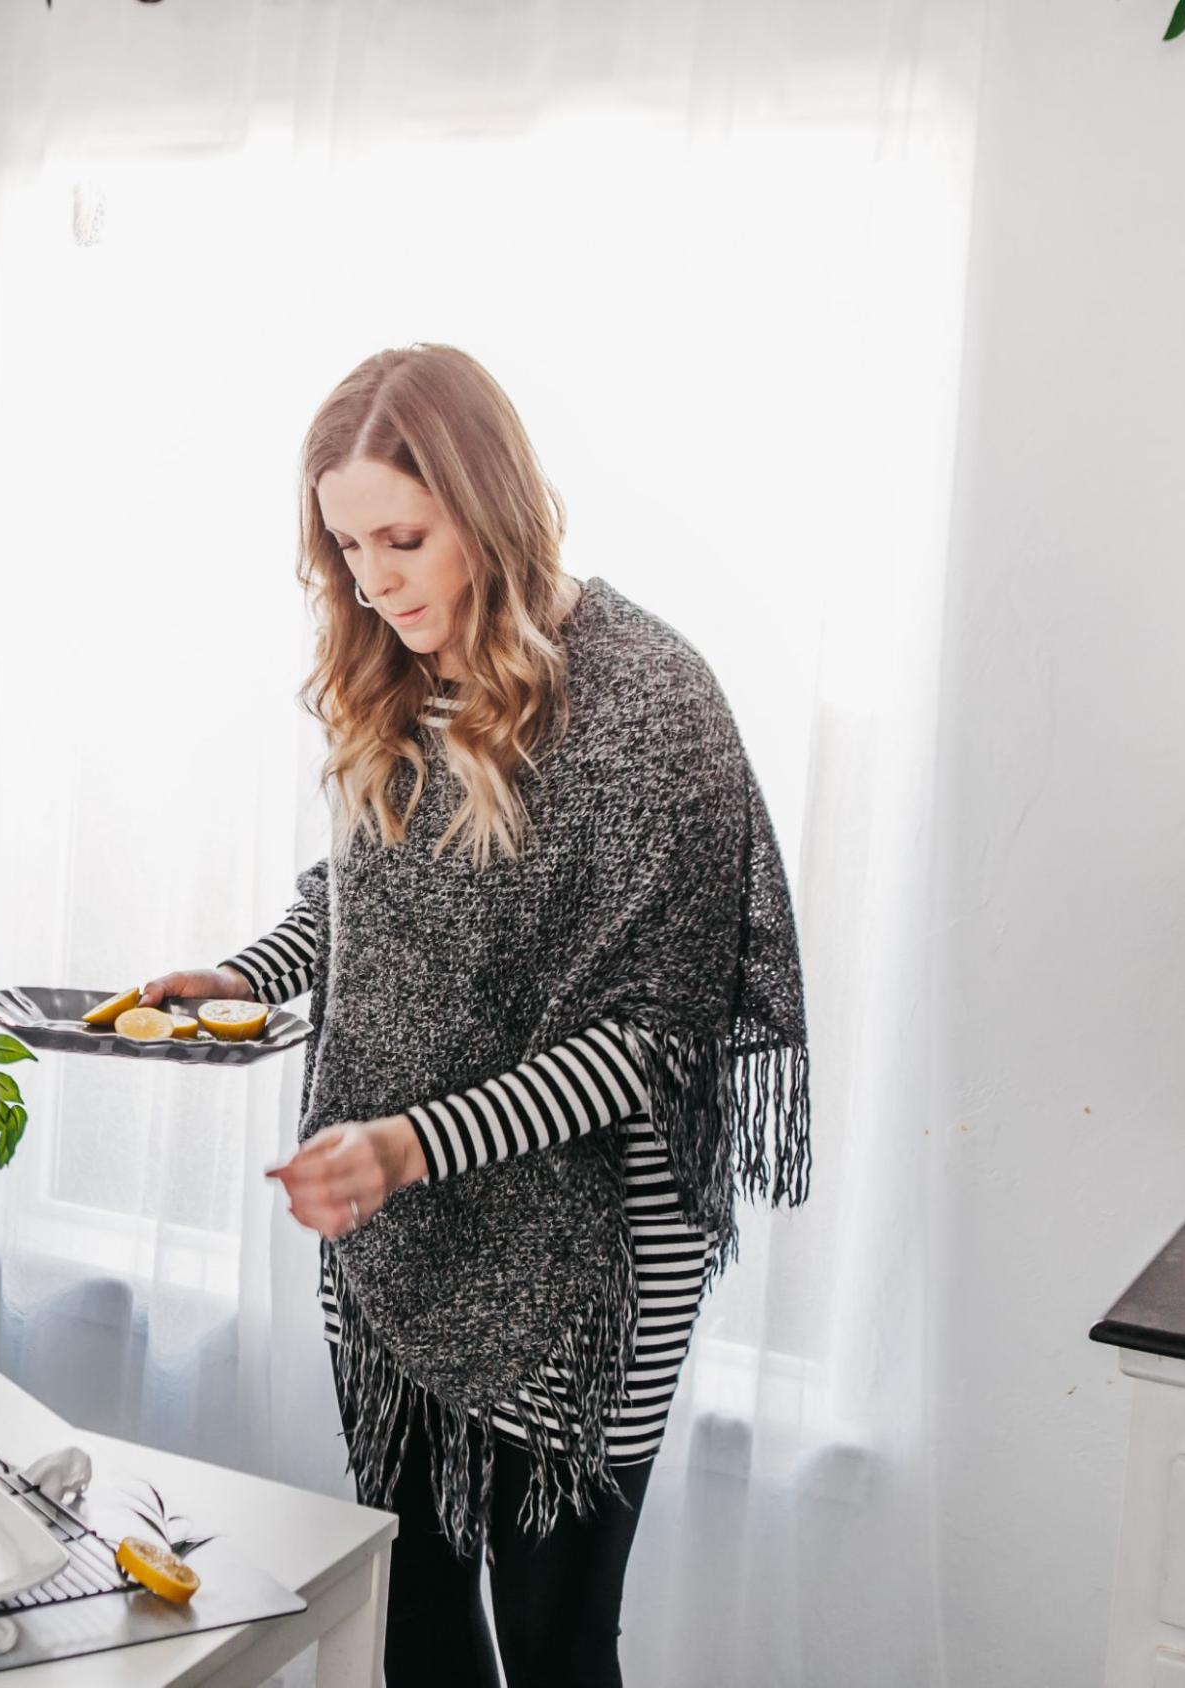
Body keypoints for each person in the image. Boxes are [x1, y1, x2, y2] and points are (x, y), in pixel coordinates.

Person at [139, 343, 812, 1687]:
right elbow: (371, 900)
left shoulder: (650, 698)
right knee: (421, 1623)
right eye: (346, 548)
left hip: (596, 1251)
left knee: (559, 1643)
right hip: (400, 1231)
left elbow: (651, 1038)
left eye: (404, 537)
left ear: (489, 506)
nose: (378, 582)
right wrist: (251, 973)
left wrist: (402, 1146)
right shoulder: (394, 670)